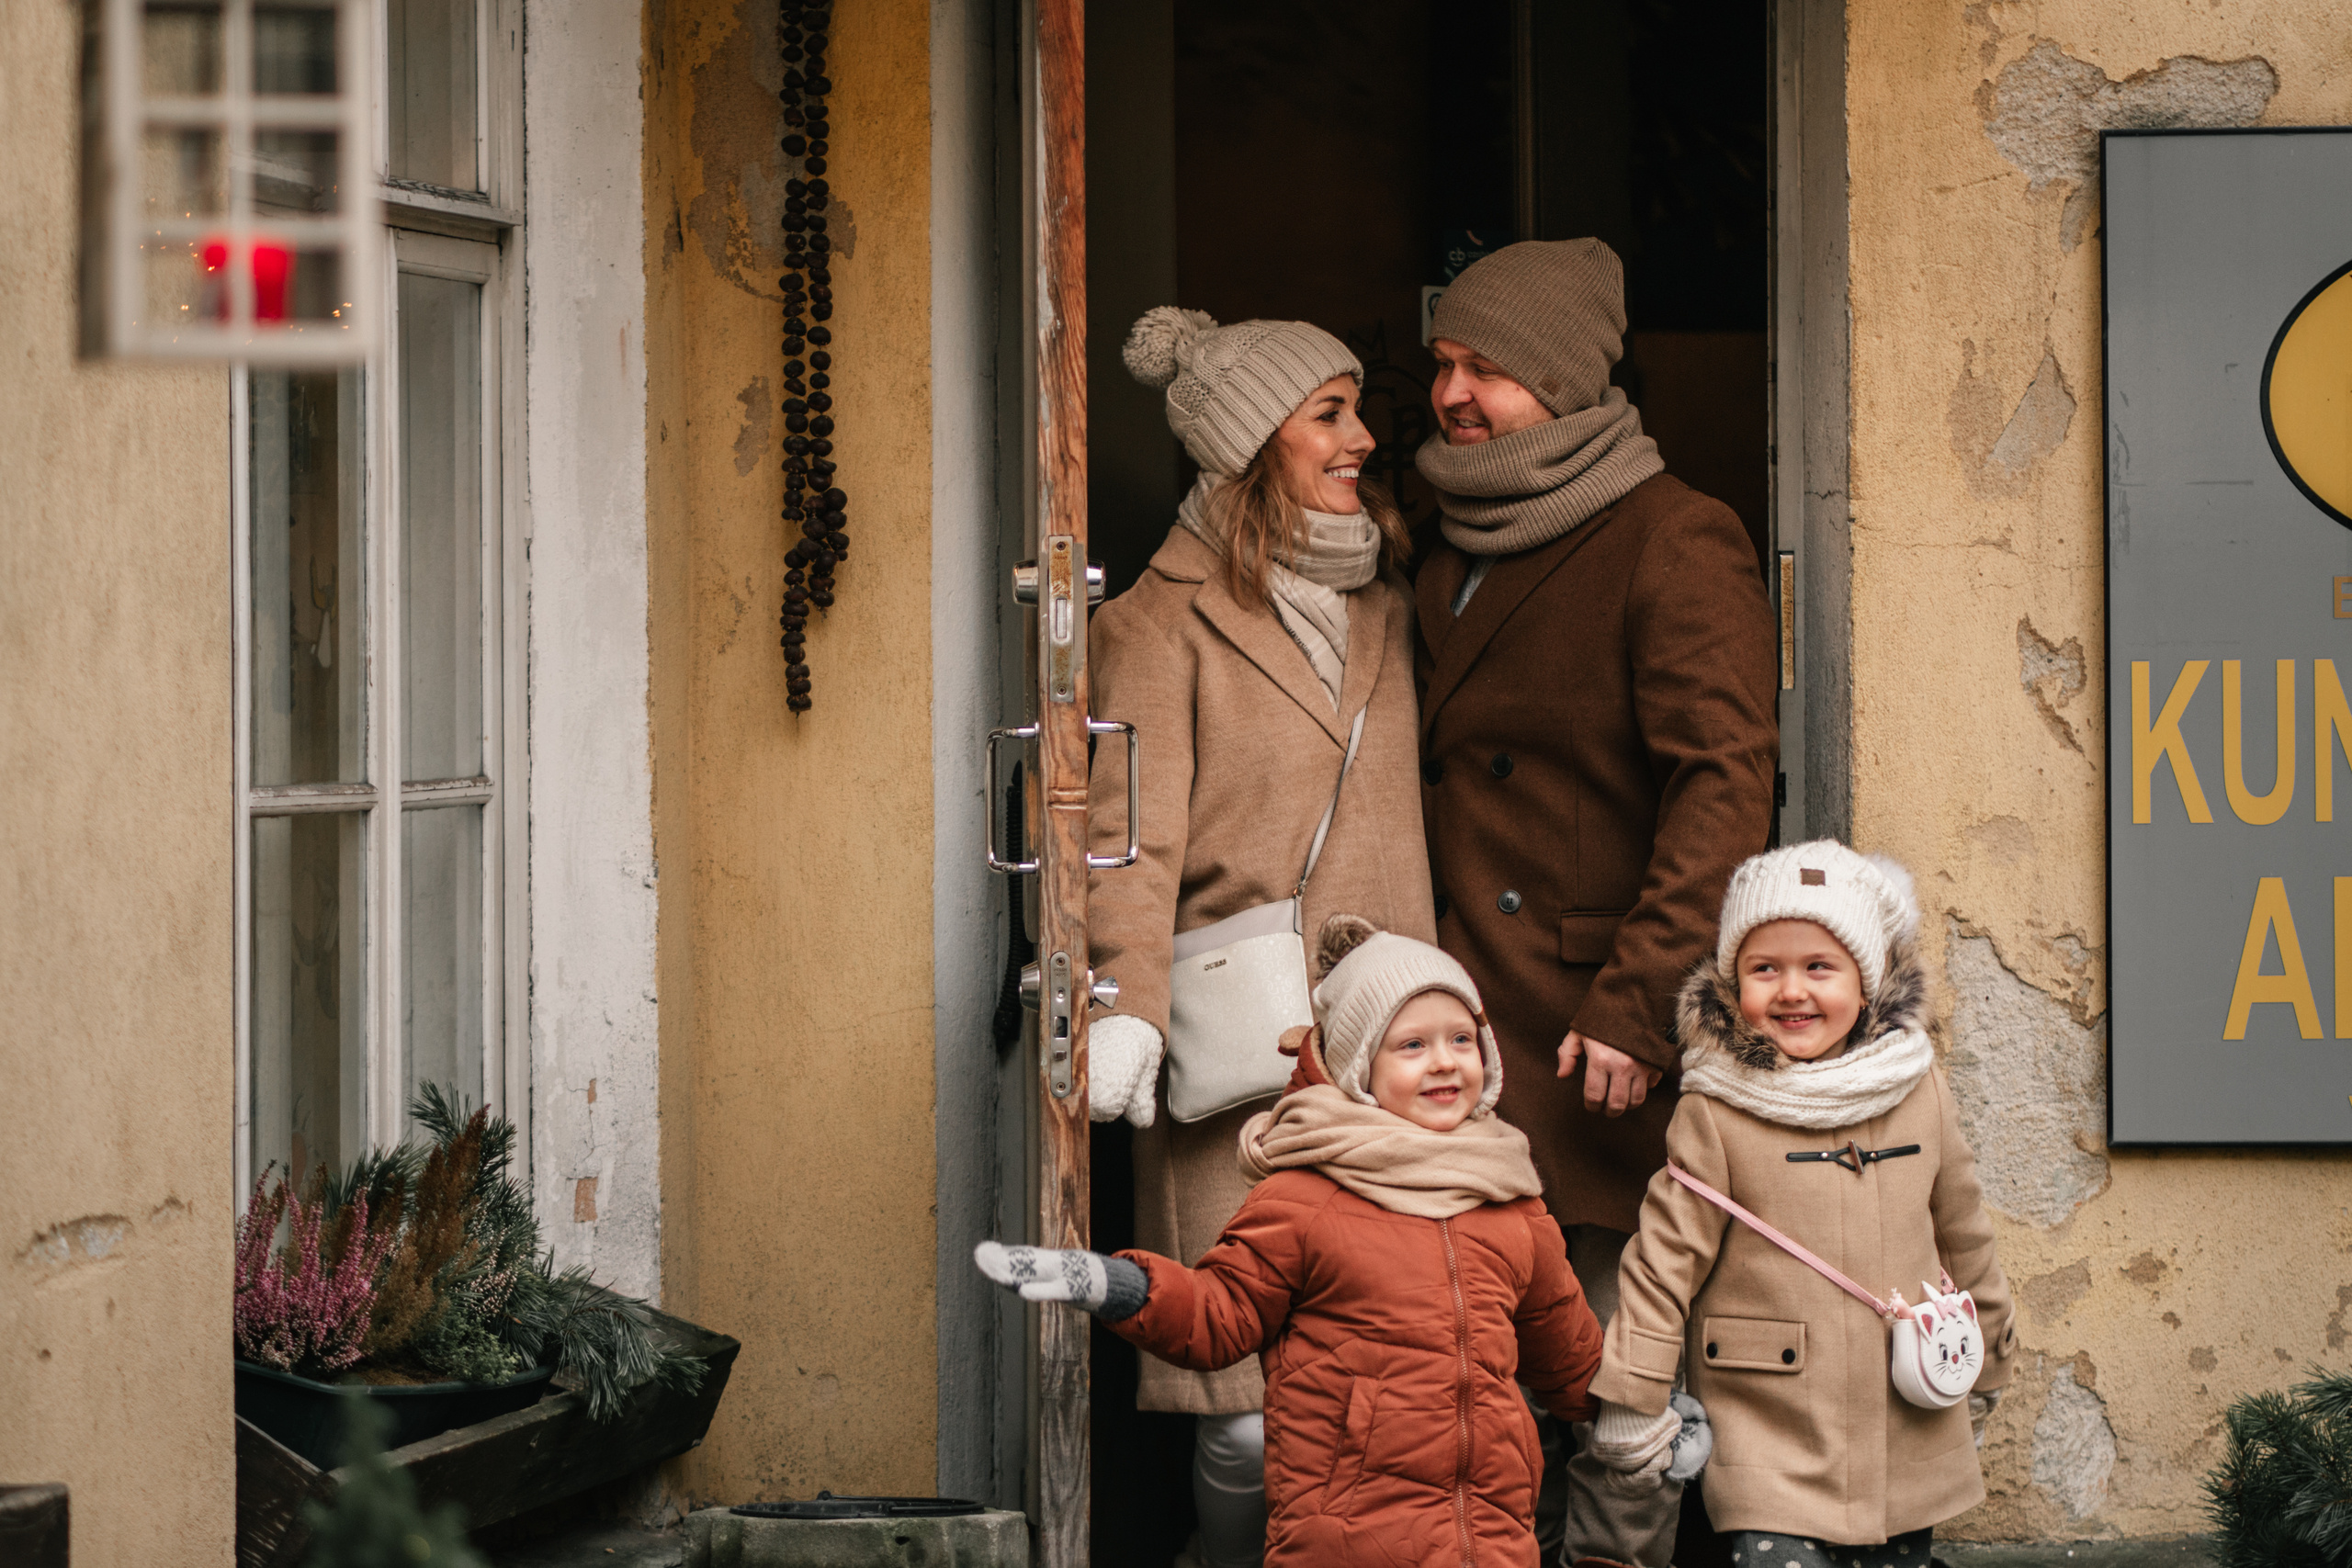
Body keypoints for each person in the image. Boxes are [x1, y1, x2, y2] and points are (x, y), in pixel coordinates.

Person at [1410, 238, 1780, 1564]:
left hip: (1588, 1034)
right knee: (1469, 1383)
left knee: (1617, 1377)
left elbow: (1726, 791)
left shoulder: (1674, 534)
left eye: (1489, 367)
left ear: (1564, 378)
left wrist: (1640, 1004)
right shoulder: (1443, 538)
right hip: (1456, 1027)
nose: (1454, 394)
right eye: (1443, 362)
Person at [1084, 309, 1437, 1568]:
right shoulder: (1153, 620)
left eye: (1357, 406)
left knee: (1373, 1394)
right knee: (1240, 1415)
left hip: (1395, 1055)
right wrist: (1123, 999)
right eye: (1328, 413)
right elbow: (1126, 835)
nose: (1363, 437)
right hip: (1242, 1048)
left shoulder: (1389, 600)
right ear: (1248, 447)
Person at [978, 917, 1627, 1565]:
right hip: (1346, 1538)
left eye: (1462, 1037)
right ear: (1356, 1066)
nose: (1445, 1061)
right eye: (1411, 1045)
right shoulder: (1307, 1196)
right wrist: (1116, 1285)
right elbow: (1217, 1313)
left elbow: (1569, 1358)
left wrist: (1649, 1415)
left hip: (1486, 1542)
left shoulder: (1509, 1197)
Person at [1586, 841, 2017, 1564]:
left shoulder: (1919, 1089)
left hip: (1902, 1419)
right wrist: (1635, 1396)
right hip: (1767, 1429)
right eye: (1764, 968)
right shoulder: (1718, 1106)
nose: (1792, 990)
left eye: (1819, 966)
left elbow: (1965, 1231)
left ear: (1866, 979)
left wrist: (1988, 1358)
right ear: (1732, 982)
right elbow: (1663, 1262)